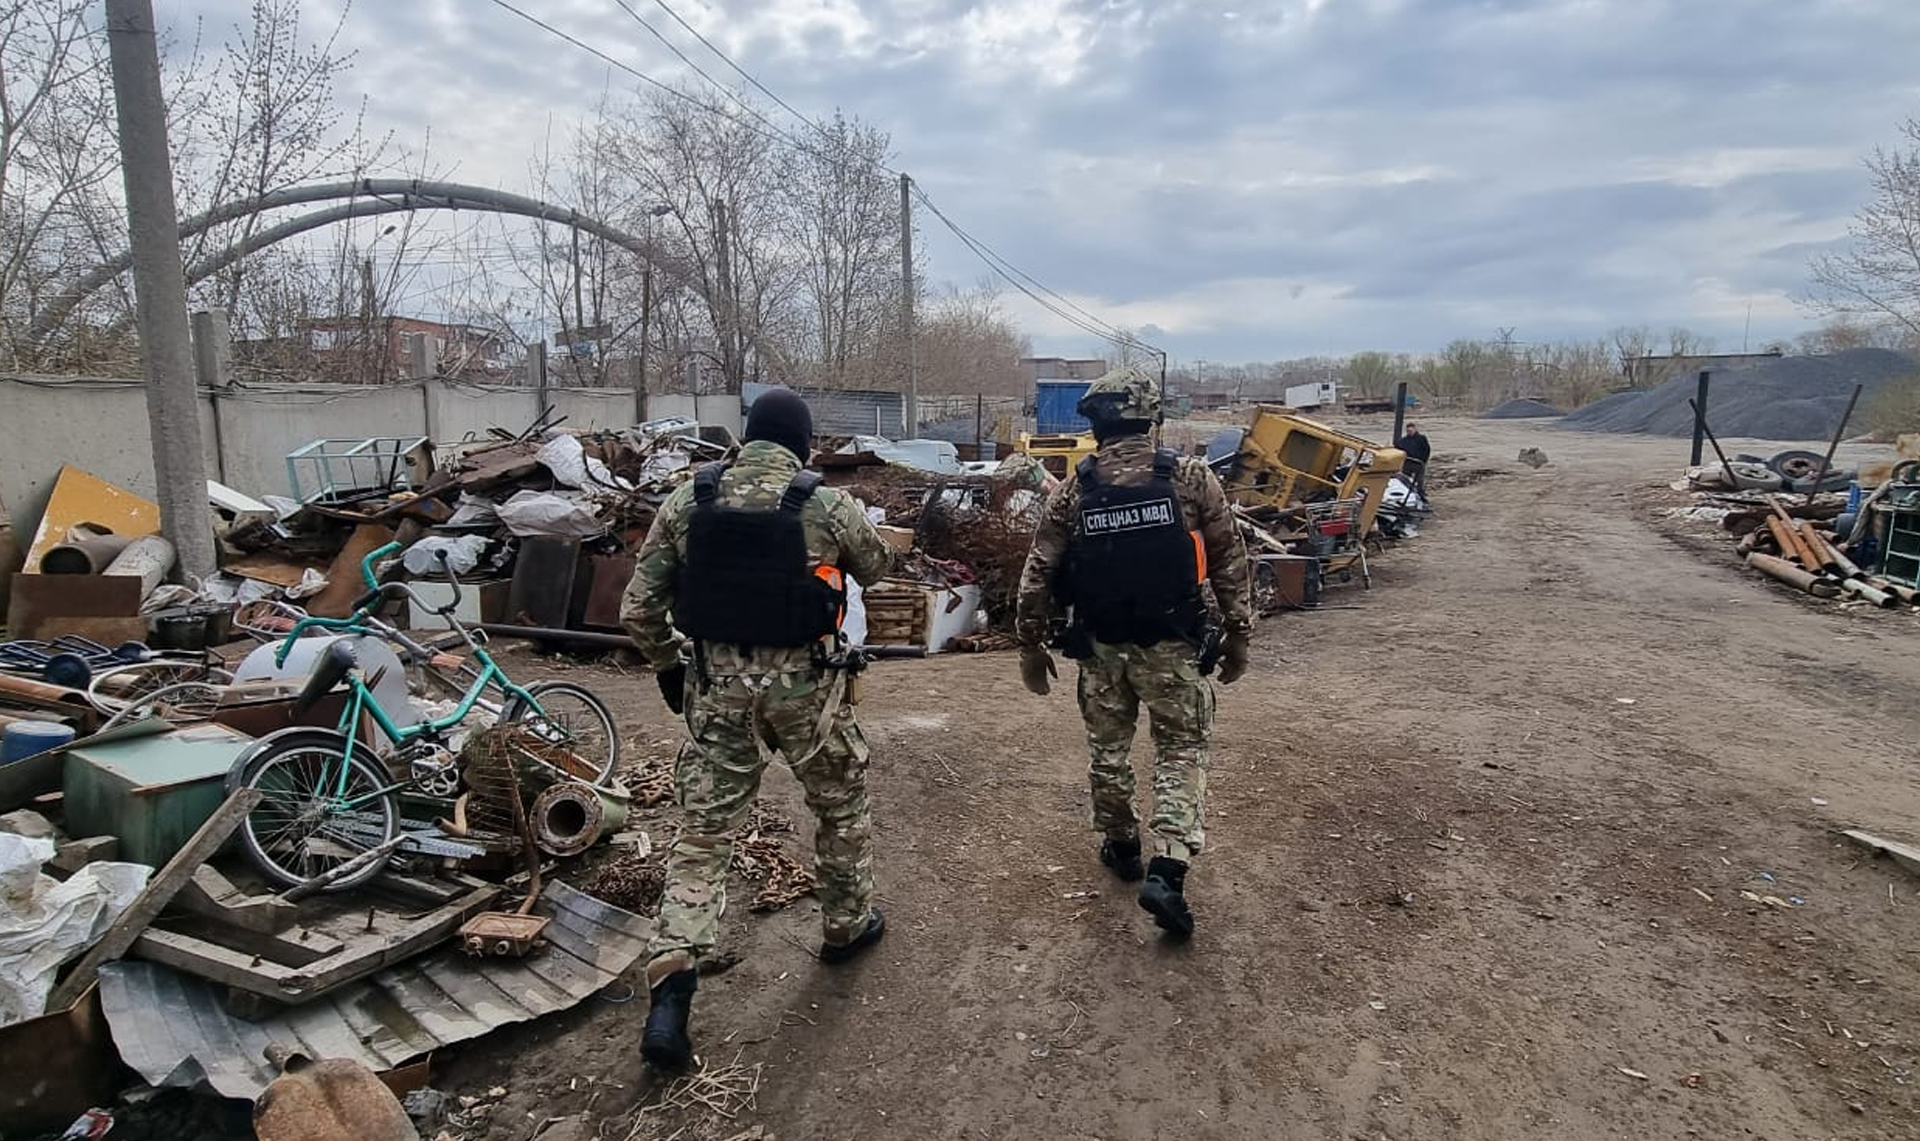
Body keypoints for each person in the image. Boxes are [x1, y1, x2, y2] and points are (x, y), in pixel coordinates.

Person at [620, 387, 895, 1070]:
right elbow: (880, 568)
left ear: (748, 437)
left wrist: (668, 668)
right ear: (802, 445)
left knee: (705, 835)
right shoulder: (824, 502)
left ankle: (672, 987)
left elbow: (638, 607)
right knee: (839, 806)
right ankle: (845, 925)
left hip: (717, 693)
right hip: (808, 692)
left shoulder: (689, 499)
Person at [1013, 366, 1254, 940]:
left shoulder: (1075, 488)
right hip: (1174, 647)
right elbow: (1229, 558)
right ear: (1152, 415)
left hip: (1100, 649)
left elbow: (1038, 571)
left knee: (1108, 750)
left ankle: (1122, 847)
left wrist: (1029, 644)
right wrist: (1240, 632)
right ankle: (1167, 870)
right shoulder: (1191, 478)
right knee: (1181, 750)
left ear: (1096, 424)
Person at [1396, 422, 1432, 497]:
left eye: (1411, 431)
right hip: (1407, 463)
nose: (1409, 432)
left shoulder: (1422, 438)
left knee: (1419, 480)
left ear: (1415, 429)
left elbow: (1427, 450)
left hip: (1419, 462)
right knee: (1405, 479)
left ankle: (1420, 493)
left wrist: (1424, 461)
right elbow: (1398, 450)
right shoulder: (1403, 441)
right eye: (1408, 431)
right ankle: (1407, 492)